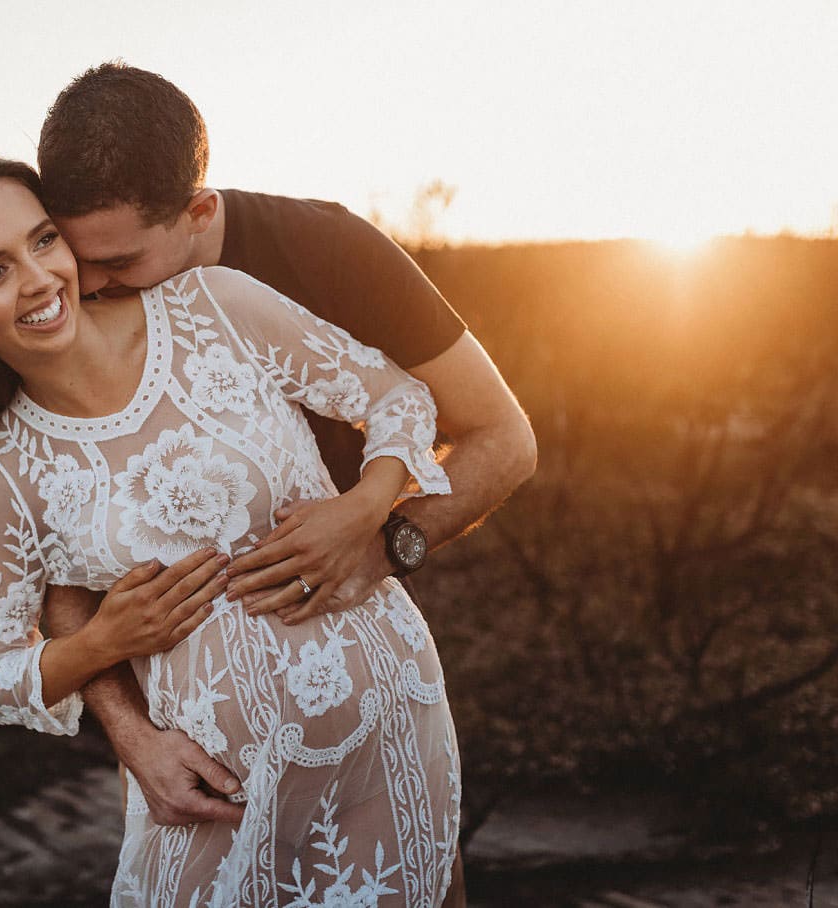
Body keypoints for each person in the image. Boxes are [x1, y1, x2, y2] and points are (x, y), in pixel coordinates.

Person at [0, 144, 464, 908]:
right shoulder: (2, 475)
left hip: (386, 713)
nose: (39, 280)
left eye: (43, 240)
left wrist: (363, 508)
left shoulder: (217, 306)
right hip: (216, 788)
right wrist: (102, 644)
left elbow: (398, 400)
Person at [33, 64, 536, 908]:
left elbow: (505, 439)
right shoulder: (60, 294)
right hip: (198, 753)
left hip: (366, 709)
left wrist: (385, 539)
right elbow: (57, 562)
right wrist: (131, 736)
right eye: (77, 260)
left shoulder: (329, 251)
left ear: (197, 211)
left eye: (118, 261)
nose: (89, 289)